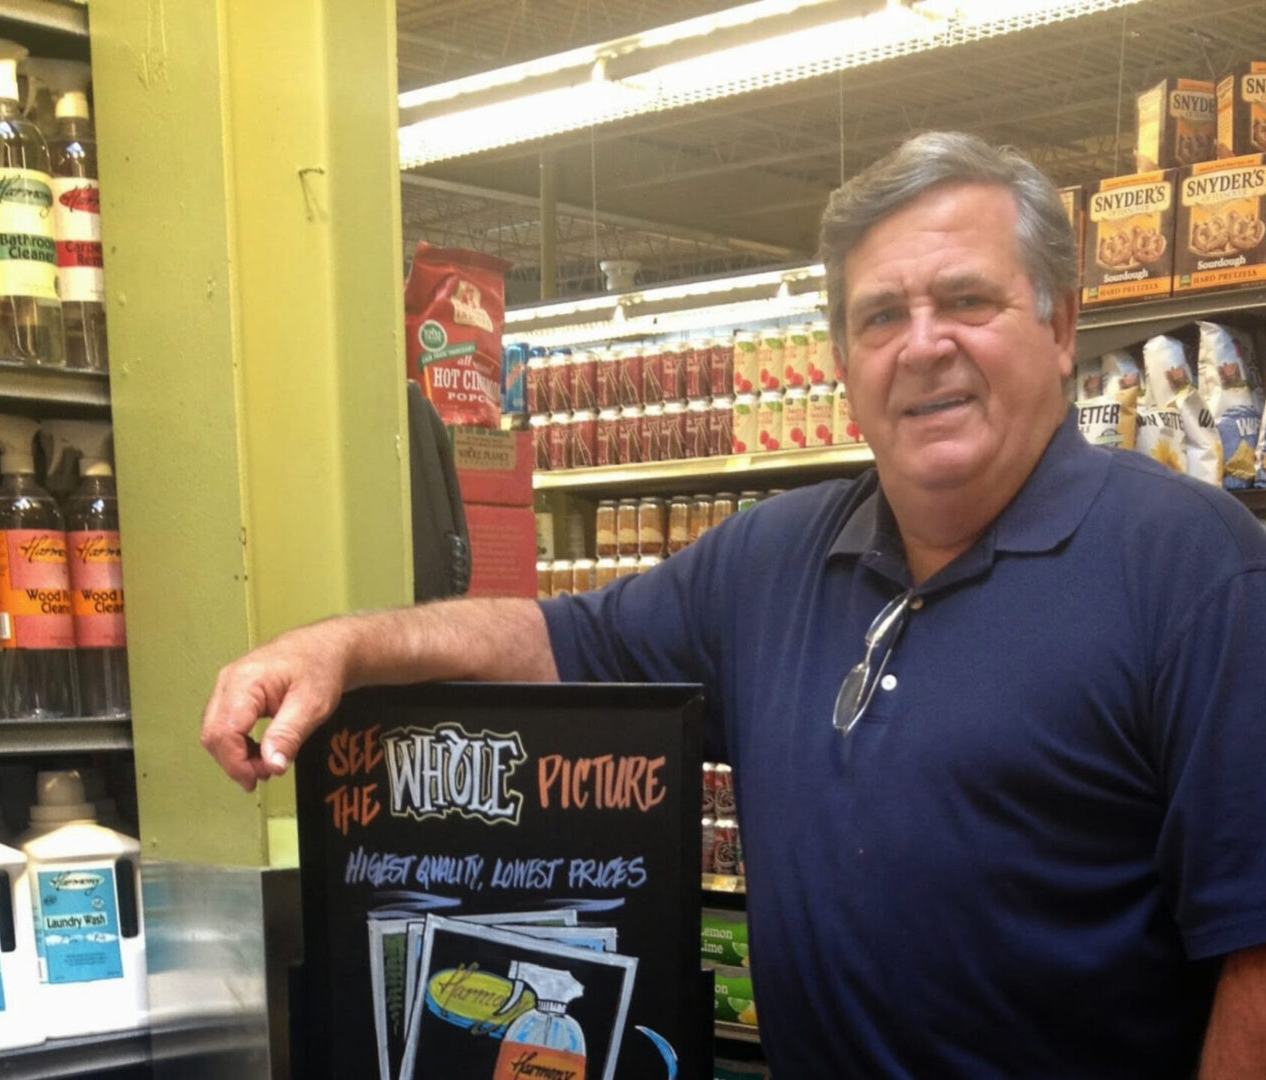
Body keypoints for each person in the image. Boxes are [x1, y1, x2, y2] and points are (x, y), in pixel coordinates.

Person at [200, 131, 1266, 1077]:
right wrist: (342, 645)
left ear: (1060, 322)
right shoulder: (771, 557)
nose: (924, 343)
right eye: (881, 315)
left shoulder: (1194, 572)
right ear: (844, 362)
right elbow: (554, 641)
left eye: (969, 300)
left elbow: (1255, 971)